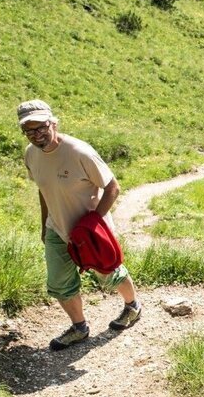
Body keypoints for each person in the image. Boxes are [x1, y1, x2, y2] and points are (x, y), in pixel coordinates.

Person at [19, 100, 141, 350]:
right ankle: (79, 327)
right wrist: (45, 226)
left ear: (53, 123)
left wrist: (94, 223)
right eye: (29, 131)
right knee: (60, 282)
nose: (37, 134)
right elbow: (44, 190)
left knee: (109, 273)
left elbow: (112, 187)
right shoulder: (31, 155)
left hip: (90, 230)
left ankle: (132, 307)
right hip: (57, 228)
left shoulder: (79, 152)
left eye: (41, 127)